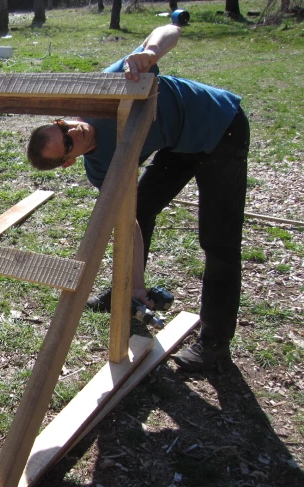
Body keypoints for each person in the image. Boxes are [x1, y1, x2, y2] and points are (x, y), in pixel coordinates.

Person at [27, 24, 249, 373]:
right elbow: (126, 222)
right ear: (69, 160)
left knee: (219, 239)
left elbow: (169, 29)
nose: (74, 131)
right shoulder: (100, 167)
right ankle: (128, 290)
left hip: (221, 126)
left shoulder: (104, 90)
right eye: (67, 143)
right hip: (179, 144)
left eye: (63, 125)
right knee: (139, 207)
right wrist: (138, 283)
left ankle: (215, 341)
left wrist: (150, 53)